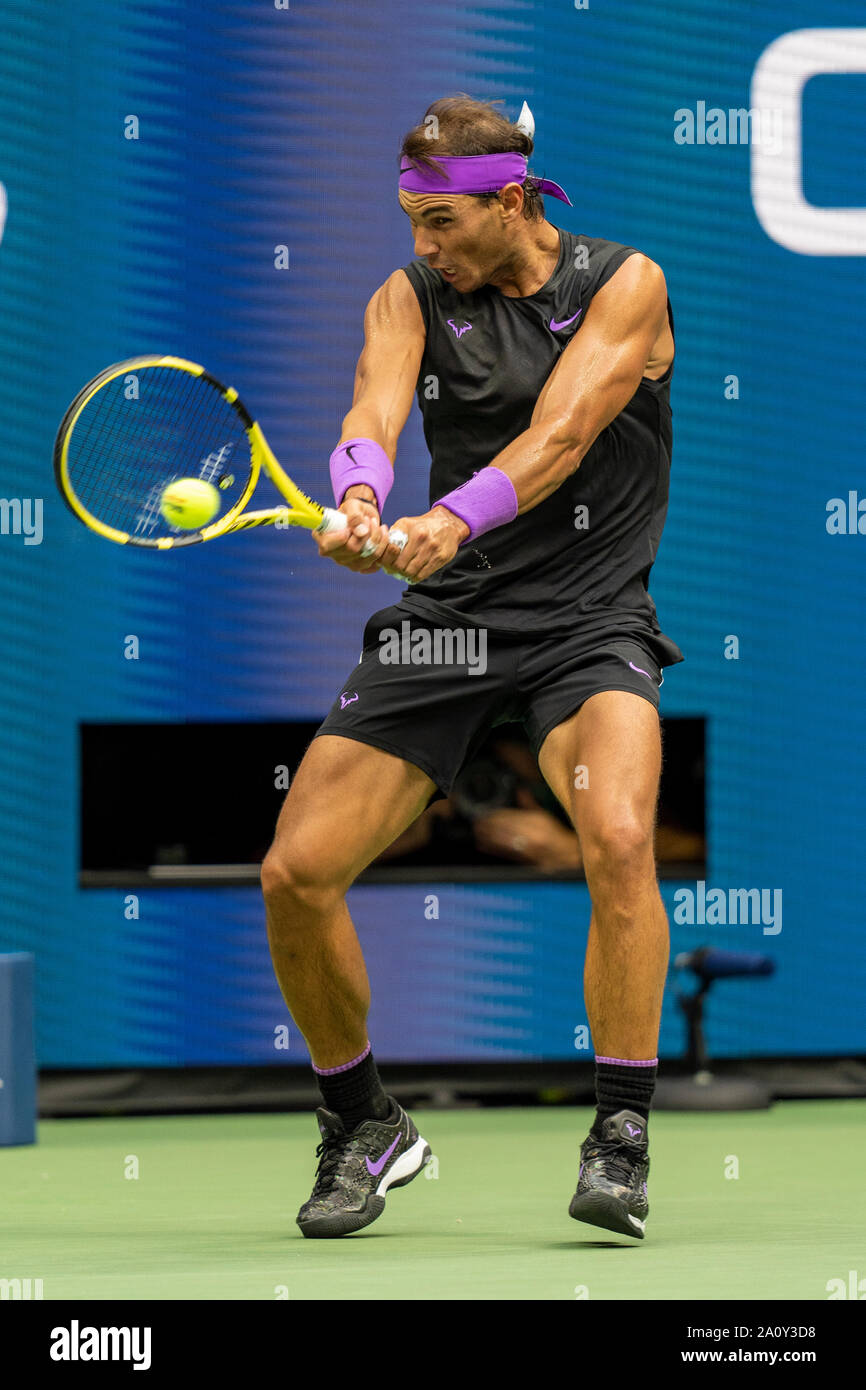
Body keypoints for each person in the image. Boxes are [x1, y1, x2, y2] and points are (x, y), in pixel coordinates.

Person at [261, 94, 683, 1241]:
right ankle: (362, 1122)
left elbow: (556, 437)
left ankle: (618, 1133)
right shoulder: (409, 295)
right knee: (294, 874)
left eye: (441, 222)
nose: (422, 245)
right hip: (451, 623)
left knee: (620, 836)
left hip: (587, 618)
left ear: (510, 202)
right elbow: (372, 405)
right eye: (409, 220)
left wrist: (444, 519)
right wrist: (356, 493)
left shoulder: (622, 284)